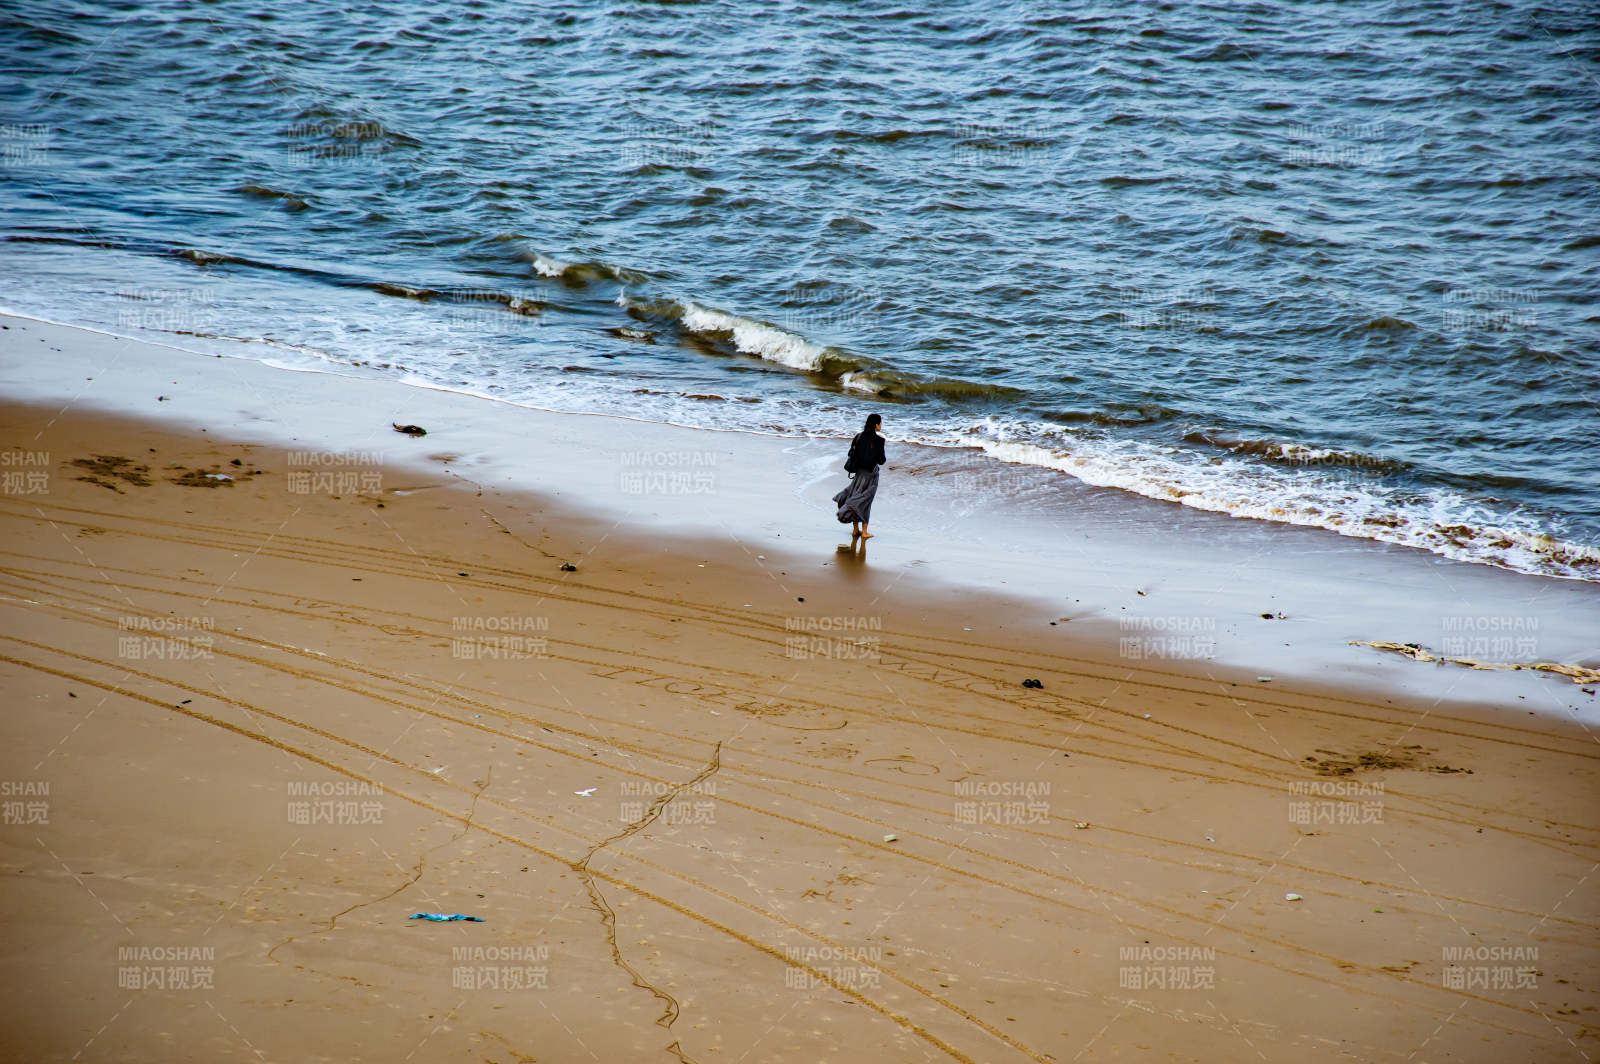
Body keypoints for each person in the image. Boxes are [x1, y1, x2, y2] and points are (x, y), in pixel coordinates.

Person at [833, 413, 886, 540]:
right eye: (880, 423)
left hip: (858, 473)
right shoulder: (879, 440)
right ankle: (865, 532)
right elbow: (881, 460)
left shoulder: (858, 437)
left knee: (854, 495)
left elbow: (851, 453)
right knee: (865, 502)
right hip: (871, 475)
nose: (881, 425)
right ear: (876, 424)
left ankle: (855, 530)